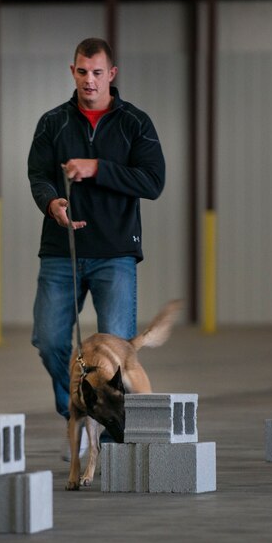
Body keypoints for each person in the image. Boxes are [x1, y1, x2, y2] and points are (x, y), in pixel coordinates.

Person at [27, 37, 165, 449]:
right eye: (82, 72)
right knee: (50, 340)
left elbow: (153, 182)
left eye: (97, 73)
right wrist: (51, 202)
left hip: (115, 255)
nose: (90, 81)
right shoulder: (53, 123)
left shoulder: (134, 123)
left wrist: (98, 168)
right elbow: (38, 176)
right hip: (61, 251)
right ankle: (75, 406)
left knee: (117, 355)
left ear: (112, 75)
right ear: (73, 72)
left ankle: (109, 436)